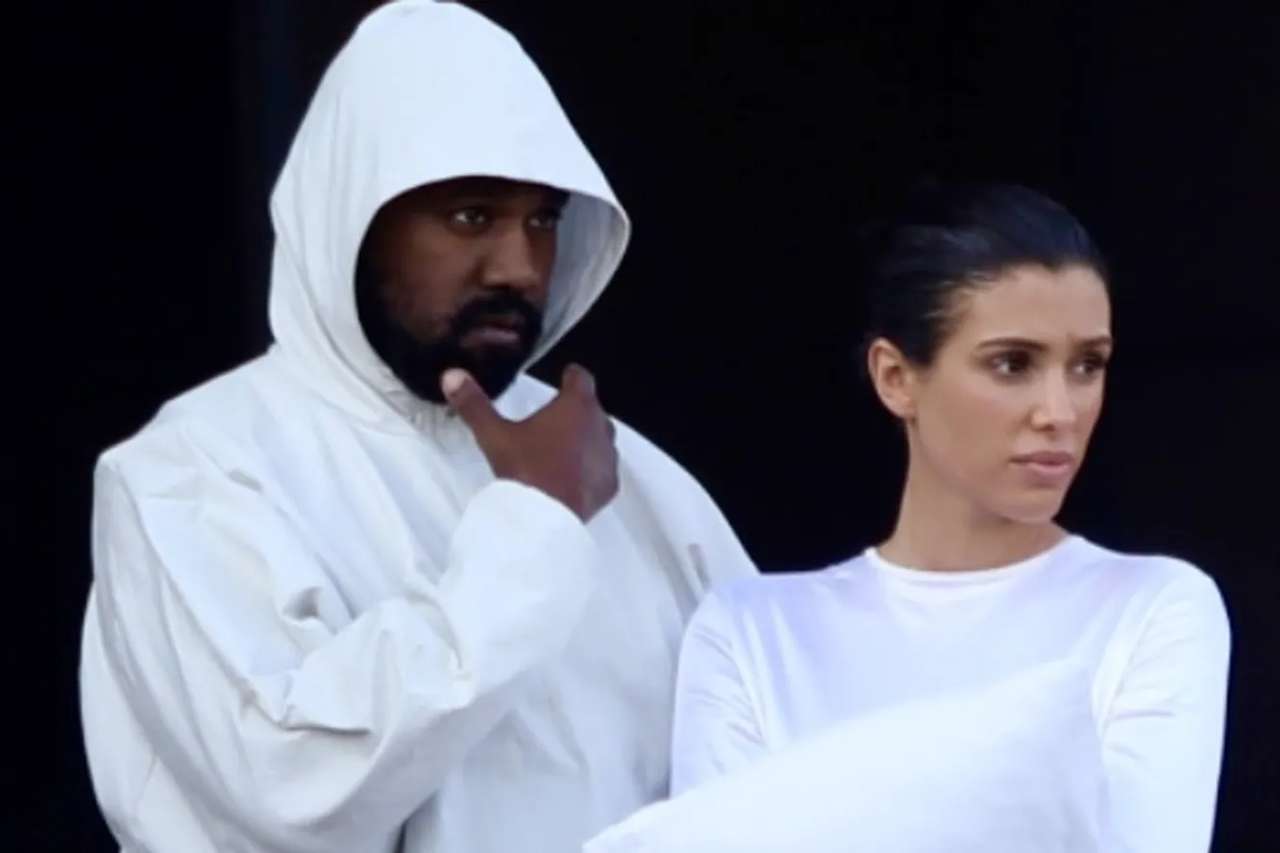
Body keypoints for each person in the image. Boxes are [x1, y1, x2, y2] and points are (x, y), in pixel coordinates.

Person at [78, 3, 755, 851]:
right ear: (350, 219)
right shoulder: (195, 472)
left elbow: (770, 770)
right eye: (472, 216)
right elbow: (295, 788)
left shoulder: (629, 477)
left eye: (543, 220)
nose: (519, 266)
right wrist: (536, 525)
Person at [585, 183, 1230, 853]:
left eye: (1087, 365)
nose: (1060, 411)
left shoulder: (1153, 607)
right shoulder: (752, 631)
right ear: (895, 377)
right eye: (1012, 364)